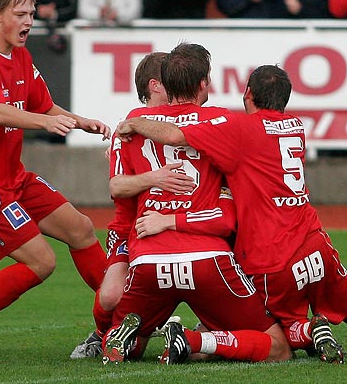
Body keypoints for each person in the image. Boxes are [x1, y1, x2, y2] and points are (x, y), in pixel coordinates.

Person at [116, 64, 347, 364]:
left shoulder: (239, 130)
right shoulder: (295, 127)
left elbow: (175, 135)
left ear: (247, 93)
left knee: (268, 335)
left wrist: (134, 123)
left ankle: (212, 338)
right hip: (314, 241)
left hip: (270, 255)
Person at [102, 43, 292, 366]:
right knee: (278, 347)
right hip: (206, 259)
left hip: (148, 258)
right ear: (204, 83)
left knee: (127, 339)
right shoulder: (220, 119)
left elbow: (118, 186)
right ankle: (195, 339)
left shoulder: (132, 122)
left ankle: (120, 334)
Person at [0, 0, 111, 330]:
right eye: (20, 14)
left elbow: (43, 106)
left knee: (81, 229)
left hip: (10, 177)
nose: (29, 22)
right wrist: (43, 124)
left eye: (31, 14)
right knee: (41, 262)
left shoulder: (20, 56)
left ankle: (120, 314)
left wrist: (79, 122)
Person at [70, 51, 196, 359]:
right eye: (171, 81)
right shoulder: (127, 129)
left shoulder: (184, 121)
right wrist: (155, 178)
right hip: (131, 227)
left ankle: (212, 336)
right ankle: (101, 335)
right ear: (155, 86)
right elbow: (116, 186)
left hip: (185, 223)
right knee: (112, 295)